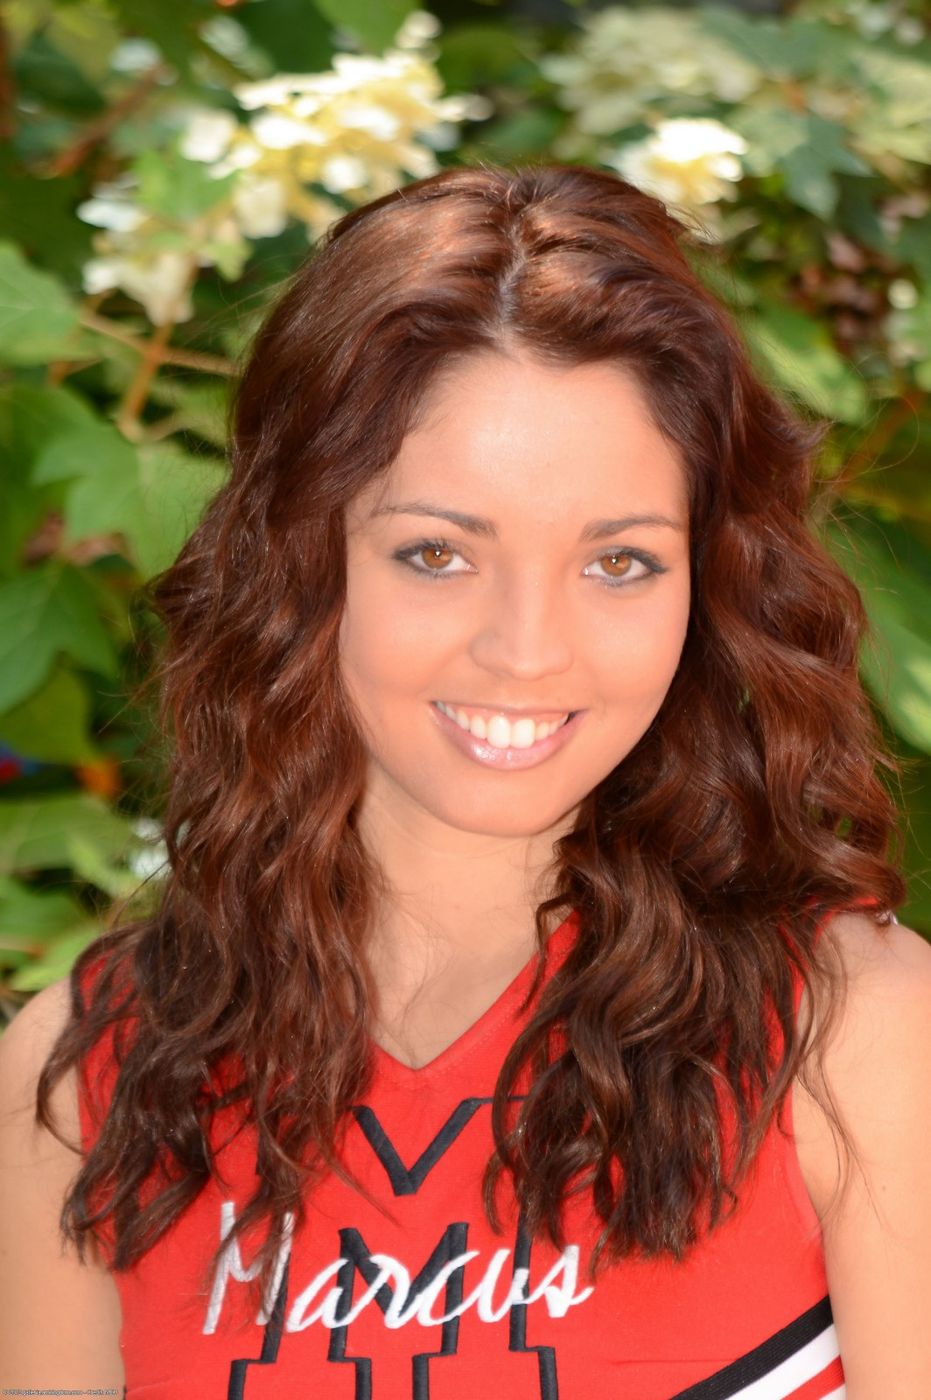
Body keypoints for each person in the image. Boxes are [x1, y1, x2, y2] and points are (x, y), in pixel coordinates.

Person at [1, 161, 929, 1400]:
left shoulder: (855, 1032)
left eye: (618, 562)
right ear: (299, 559)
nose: (526, 648)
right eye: (436, 552)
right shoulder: (89, 1073)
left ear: (708, 583)